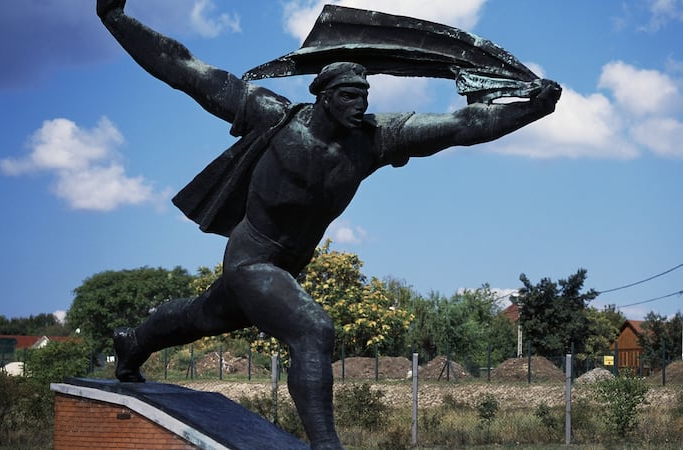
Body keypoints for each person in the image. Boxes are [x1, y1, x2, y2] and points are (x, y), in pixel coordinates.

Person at [97, 1, 561, 448]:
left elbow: (464, 123)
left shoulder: (373, 141)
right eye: (347, 97)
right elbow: (185, 70)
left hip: (287, 266)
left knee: (201, 317)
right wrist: (116, 19)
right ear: (321, 96)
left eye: (364, 97)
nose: (358, 106)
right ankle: (325, 443)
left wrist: (532, 108)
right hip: (252, 257)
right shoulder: (273, 117)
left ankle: (133, 342)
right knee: (313, 330)